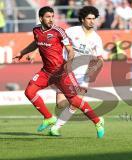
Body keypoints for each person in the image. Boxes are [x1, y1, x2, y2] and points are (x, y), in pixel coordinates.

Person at [13, 6, 104, 138]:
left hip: (66, 71)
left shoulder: (61, 31)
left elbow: (70, 50)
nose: (51, 19)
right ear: (40, 18)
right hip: (47, 71)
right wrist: (24, 52)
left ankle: (96, 122)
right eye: (48, 17)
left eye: (52, 16)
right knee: (31, 92)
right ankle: (49, 118)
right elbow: (39, 42)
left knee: (75, 101)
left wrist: (73, 65)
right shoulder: (40, 30)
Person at [50, 6, 104, 136]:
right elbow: (56, 41)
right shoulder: (72, 31)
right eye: (89, 18)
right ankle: (99, 119)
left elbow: (100, 59)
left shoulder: (97, 39)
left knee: (75, 103)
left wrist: (94, 69)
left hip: (83, 76)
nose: (92, 21)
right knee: (60, 104)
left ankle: (55, 128)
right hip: (65, 72)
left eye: (94, 19)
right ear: (82, 19)